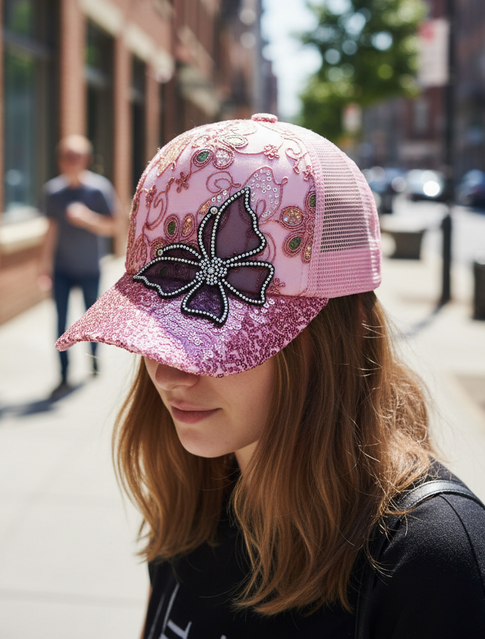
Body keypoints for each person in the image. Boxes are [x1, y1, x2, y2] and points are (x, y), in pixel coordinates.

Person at [56, 115, 485, 637]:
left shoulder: (428, 561)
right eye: (155, 328)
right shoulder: (196, 501)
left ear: (330, 338)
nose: (166, 373)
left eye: (216, 338)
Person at [39, 135, 120, 398]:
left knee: (90, 320)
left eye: (76, 157)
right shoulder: (53, 191)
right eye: (65, 156)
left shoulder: (99, 189)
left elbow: (114, 226)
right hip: (62, 268)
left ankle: (93, 361)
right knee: (60, 322)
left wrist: (87, 219)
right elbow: (50, 230)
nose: (70, 162)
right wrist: (43, 267)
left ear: (86, 159)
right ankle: (63, 375)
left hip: (89, 268)